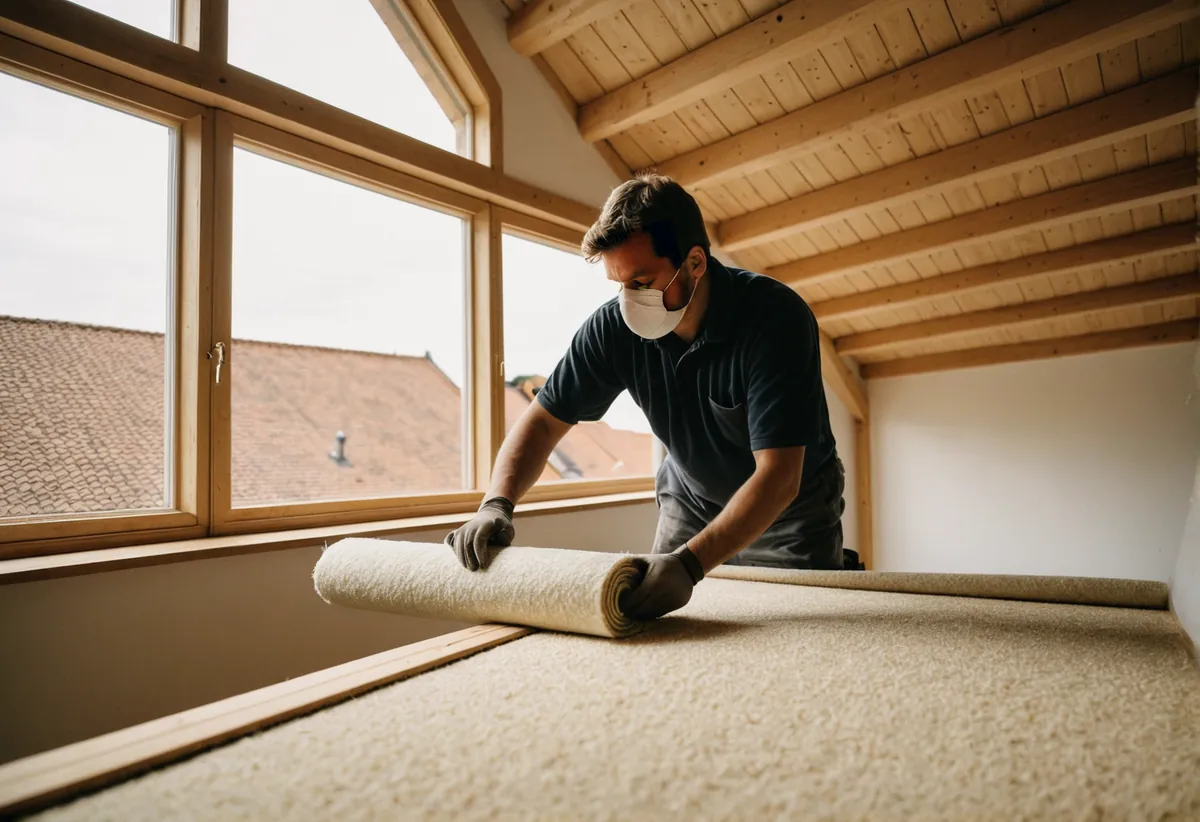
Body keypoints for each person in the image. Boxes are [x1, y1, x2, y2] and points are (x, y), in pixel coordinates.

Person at [445, 173, 853, 620]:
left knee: (799, 628)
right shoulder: (612, 329)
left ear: (695, 263)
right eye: (618, 284)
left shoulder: (775, 319)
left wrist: (690, 564)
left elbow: (779, 476)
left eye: (642, 281)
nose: (628, 300)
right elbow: (543, 421)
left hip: (789, 512)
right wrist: (496, 504)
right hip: (691, 498)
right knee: (652, 613)